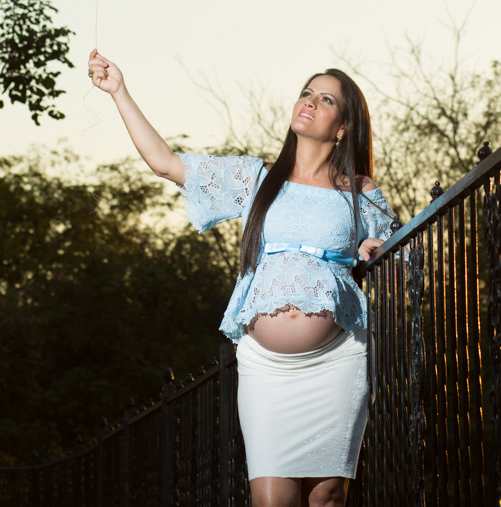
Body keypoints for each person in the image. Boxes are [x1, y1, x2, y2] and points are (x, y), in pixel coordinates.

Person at [87, 49, 397, 507]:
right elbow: (167, 163)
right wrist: (119, 91)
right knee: (272, 500)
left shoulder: (360, 192)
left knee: (328, 497)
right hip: (266, 369)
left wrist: (376, 249)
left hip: (336, 362)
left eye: (326, 100)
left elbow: (398, 255)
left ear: (344, 126)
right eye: (306, 93)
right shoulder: (258, 178)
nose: (309, 102)